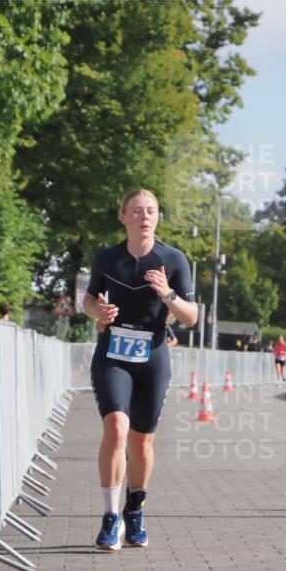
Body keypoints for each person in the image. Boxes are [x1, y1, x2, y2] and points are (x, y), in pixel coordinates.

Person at [83, 189, 198, 551]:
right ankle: (109, 516)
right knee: (116, 429)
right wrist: (96, 313)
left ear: (158, 217)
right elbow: (88, 299)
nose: (144, 216)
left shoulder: (174, 259)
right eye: (136, 211)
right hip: (113, 354)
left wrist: (167, 294)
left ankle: (135, 508)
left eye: (151, 211)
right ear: (123, 217)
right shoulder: (107, 259)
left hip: (153, 355)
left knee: (141, 442)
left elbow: (192, 318)